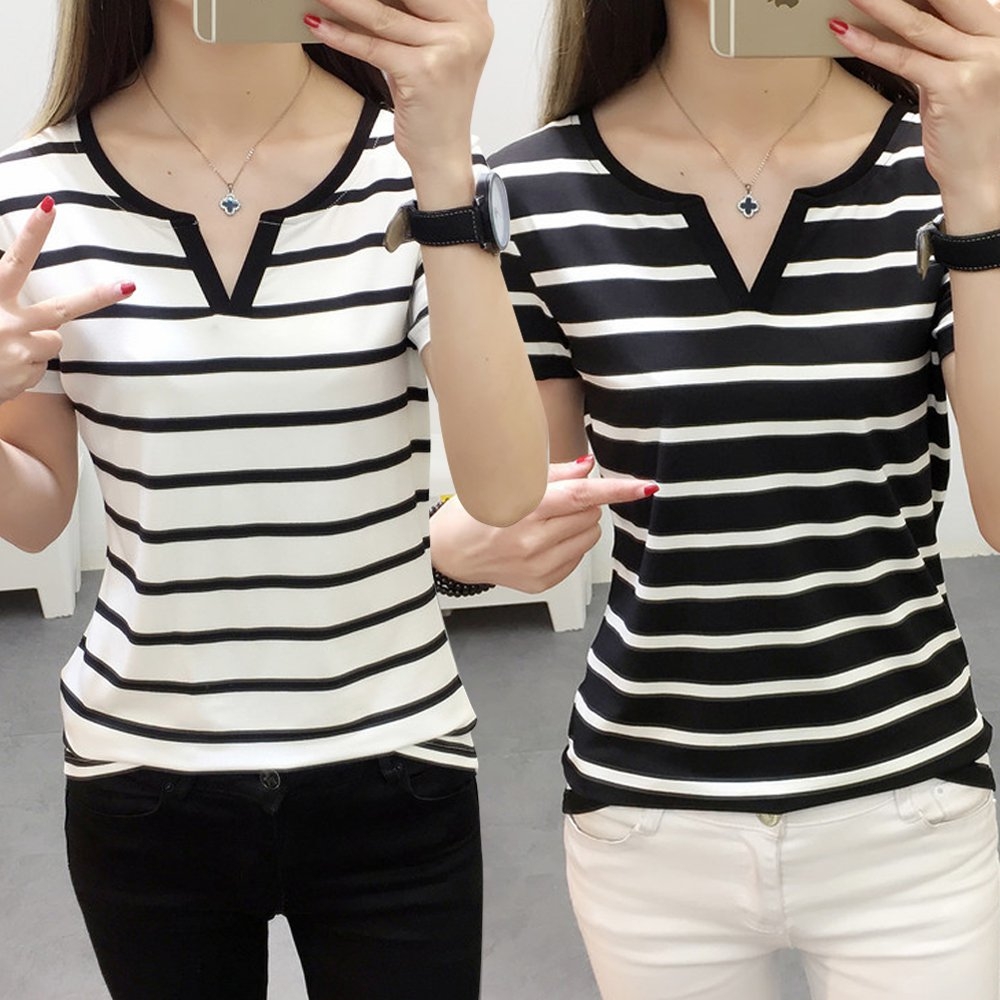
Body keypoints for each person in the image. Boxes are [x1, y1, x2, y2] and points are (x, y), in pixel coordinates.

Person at [429, 0, 1000, 997]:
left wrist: (982, 196)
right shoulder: (534, 191)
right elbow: (534, 511)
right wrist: (448, 545)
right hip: (650, 817)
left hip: (909, 802)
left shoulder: (947, 168)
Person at [0, 0, 558, 996]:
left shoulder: (422, 164)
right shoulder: (33, 194)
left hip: (396, 752)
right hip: (143, 770)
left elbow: (509, 487)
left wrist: (442, 166)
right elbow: (37, 512)